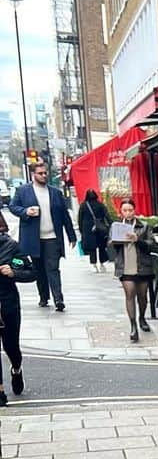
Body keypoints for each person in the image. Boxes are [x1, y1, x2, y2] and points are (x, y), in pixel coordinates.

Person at [9, 161, 77, 311]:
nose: (44, 175)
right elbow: (13, 207)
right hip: (33, 238)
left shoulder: (55, 192)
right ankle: (44, 297)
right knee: (39, 269)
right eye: (40, 173)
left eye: (45, 173)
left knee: (53, 268)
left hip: (52, 237)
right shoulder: (23, 191)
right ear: (33, 175)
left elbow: (65, 215)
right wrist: (25, 212)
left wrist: (71, 236)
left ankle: (58, 299)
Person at [0, 214, 37, 406]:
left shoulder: (11, 246)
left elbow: (31, 273)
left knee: (11, 347)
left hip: (7, 304)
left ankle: (16, 368)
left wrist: (13, 272)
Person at [109, 198, 157, 342]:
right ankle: (133, 326)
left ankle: (142, 318)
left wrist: (138, 239)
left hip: (142, 266)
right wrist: (116, 241)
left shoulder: (144, 226)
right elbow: (110, 245)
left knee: (142, 296)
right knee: (130, 294)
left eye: (130, 210)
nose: (128, 213)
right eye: (125, 210)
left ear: (134, 210)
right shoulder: (116, 226)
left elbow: (152, 245)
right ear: (121, 212)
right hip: (125, 266)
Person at [77, 188, 110, 272]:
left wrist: (81, 230)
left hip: (88, 229)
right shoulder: (100, 204)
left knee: (92, 248)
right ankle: (102, 264)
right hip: (100, 228)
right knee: (101, 247)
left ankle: (94, 265)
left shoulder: (83, 205)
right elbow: (107, 216)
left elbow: (80, 219)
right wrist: (110, 226)